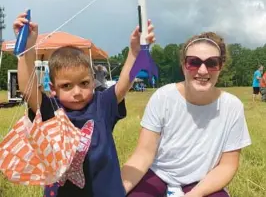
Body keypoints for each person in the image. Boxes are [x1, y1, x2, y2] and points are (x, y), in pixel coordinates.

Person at [13, 11, 155, 197]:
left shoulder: (101, 104)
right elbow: (27, 88)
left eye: (84, 83)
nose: (78, 92)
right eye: (67, 86)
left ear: (93, 80)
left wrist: (135, 52)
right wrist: (27, 49)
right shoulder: (50, 110)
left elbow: (123, 84)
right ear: (52, 87)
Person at [121, 32, 251, 197]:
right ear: (183, 65)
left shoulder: (232, 107)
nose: (203, 71)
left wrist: (194, 194)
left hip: (202, 180)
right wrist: (116, 191)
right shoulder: (163, 97)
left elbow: (228, 165)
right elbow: (143, 154)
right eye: (194, 62)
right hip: (158, 173)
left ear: (221, 66)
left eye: (212, 63)